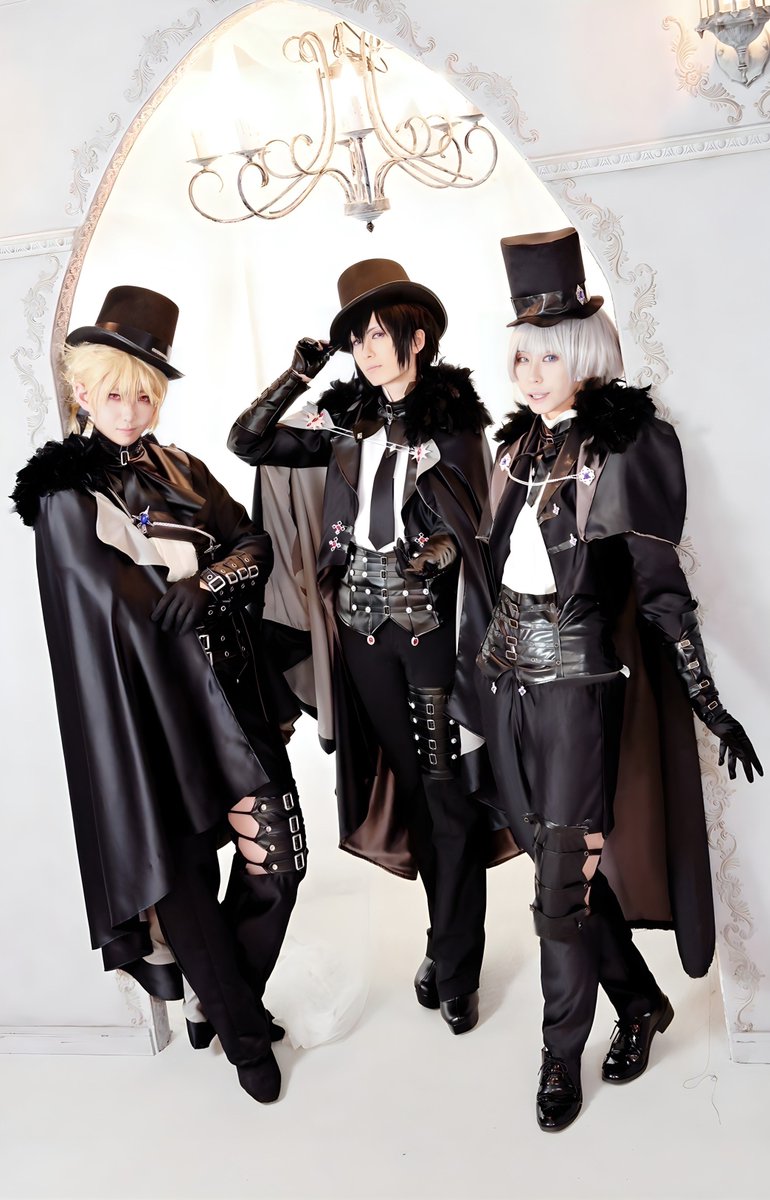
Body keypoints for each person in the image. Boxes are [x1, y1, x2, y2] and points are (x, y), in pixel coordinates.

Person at [455, 228, 762, 1130]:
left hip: (578, 689)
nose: (531, 373)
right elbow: (486, 582)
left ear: (587, 353)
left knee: (559, 888)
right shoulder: (512, 451)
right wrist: (469, 696)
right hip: (506, 686)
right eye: (521, 355)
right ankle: (640, 1002)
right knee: (557, 873)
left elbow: (663, 591)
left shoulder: (628, 447)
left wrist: (708, 701)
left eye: (549, 355)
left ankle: (560, 1058)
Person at [12, 286, 307, 1104]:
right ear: (82, 391)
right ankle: (243, 1033)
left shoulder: (181, 467)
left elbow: (253, 542)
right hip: (148, 717)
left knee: (279, 862)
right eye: (116, 394)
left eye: (145, 395)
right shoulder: (62, 493)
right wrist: (182, 589)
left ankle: (223, 998)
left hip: (234, 698)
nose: (131, 410)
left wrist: (208, 583)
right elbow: (110, 611)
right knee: (179, 878)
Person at [228, 259, 501, 1034]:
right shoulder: (347, 424)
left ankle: (458, 963)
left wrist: (433, 553)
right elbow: (249, 442)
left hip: (428, 634)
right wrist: (297, 375)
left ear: (418, 338)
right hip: (362, 635)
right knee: (414, 793)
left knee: (447, 796)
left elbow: (472, 518)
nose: (368, 350)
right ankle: (443, 937)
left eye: (380, 335)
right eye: (358, 338)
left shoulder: (453, 420)